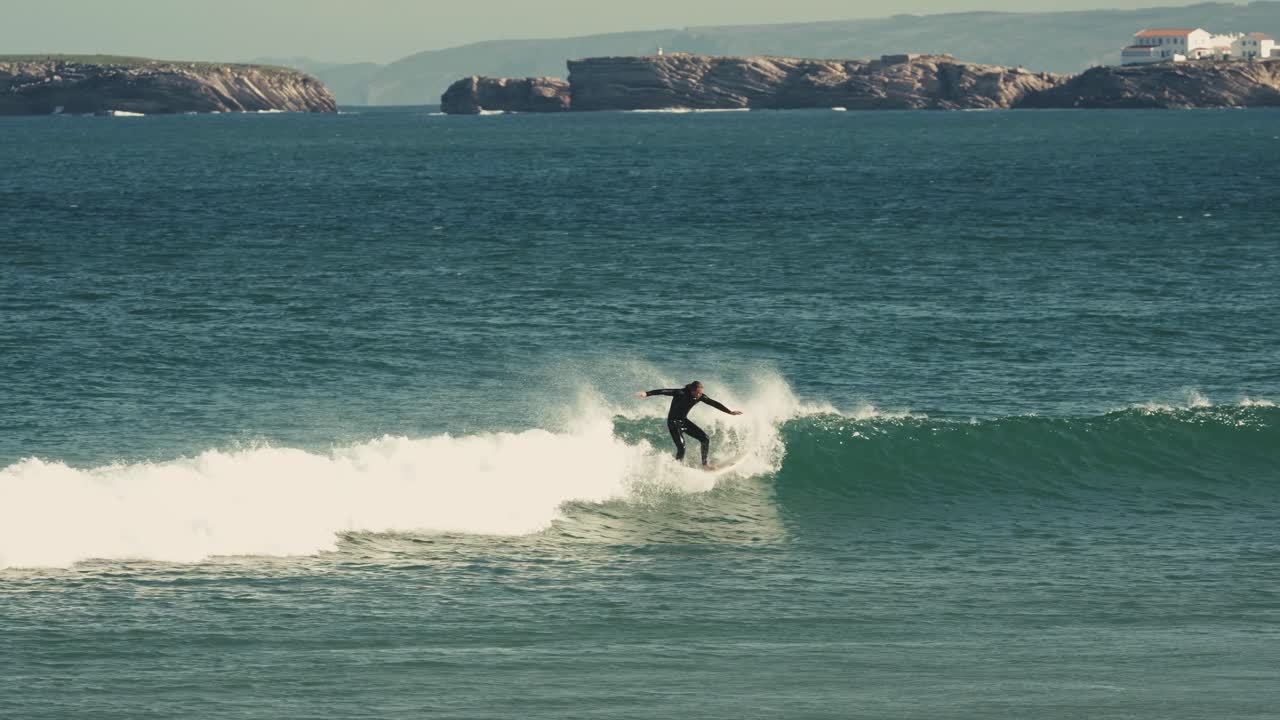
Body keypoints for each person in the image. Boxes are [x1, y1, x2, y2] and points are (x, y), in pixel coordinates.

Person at [635, 381, 743, 467]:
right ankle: (676, 468)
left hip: (683, 421)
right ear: (692, 390)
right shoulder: (680, 393)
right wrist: (647, 393)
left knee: (705, 438)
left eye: (701, 393)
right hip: (673, 423)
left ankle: (705, 465)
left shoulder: (700, 397)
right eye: (698, 393)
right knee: (682, 448)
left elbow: (714, 403)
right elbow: (663, 391)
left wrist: (729, 412)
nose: (700, 395)